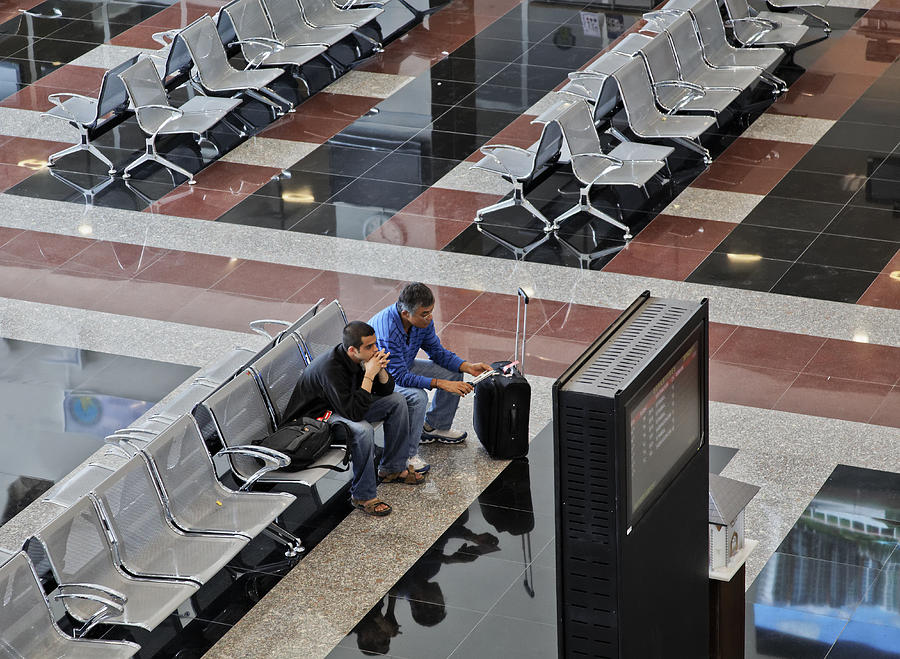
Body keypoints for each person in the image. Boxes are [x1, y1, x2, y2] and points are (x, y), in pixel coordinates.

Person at [285, 320, 425, 517]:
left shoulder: (360, 358)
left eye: (375, 344)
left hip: (343, 407)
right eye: (369, 346)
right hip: (316, 421)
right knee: (362, 429)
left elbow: (386, 391)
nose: (375, 349)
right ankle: (363, 495)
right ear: (352, 350)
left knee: (397, 401)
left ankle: (392, 468)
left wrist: (381, 370)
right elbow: (355, 414)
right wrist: (369, 374)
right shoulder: (331, 368)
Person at [369, 283, 492, 473]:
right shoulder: (387, 331)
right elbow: (399, 378)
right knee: (418, 397)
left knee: (453, 371)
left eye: (431, 311)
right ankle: (408, 456)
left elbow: (437, 351)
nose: (430, 317)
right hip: (380, 379)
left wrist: (467, 366)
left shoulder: (422, 322)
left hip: (404, 365)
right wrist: (440, 384)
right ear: (405, 314)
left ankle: (433, 427)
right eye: (425, 313)